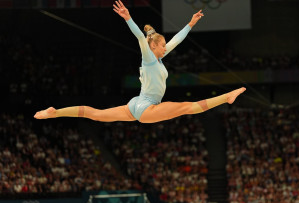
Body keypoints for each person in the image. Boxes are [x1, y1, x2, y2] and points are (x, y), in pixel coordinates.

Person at [34, 0, 246, 123]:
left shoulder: (158, 57)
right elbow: (139, 36)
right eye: (162, 46)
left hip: (135, 104)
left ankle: (55, 112)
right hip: (146, 108)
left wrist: (190, 24)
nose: (165, 48)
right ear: (153, 46)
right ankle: (227, 97)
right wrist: (128, 18)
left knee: (95, 114)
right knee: (187, 108)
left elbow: (176, 40)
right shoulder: (148, 57)